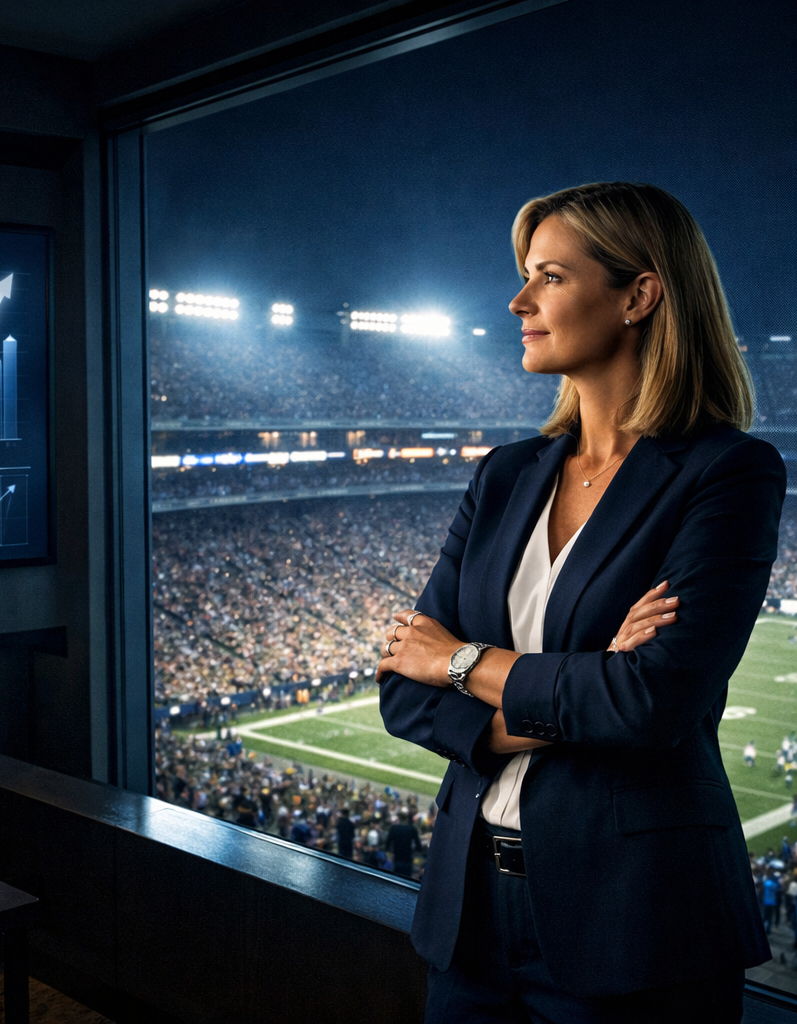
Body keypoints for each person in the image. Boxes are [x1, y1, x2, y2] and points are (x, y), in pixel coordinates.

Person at [376, 182, 784, 1023]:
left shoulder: (727, 472)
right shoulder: (502, 475)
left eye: (551, 277)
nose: (519, 301)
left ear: (639, 294)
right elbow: (398, 689)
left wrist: (462, 662)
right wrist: (586, 678)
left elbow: (649, 703)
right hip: (469, 910)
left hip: (637, 920)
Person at [385, 807, 423, 878]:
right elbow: (418, 846)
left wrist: (389, 854)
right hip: (407, 859)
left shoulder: (394, 828)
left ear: (399, 818)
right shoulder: (412, 829)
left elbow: (387, 844)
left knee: (395, 878)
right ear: (406, 819)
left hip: (397, 858)